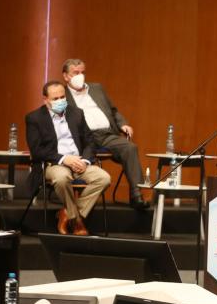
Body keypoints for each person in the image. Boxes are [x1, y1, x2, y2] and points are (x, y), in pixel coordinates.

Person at [61, 58, 150, 209]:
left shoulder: (96, 88)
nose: (80, 76)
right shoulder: (62, 95)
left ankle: (136, 195)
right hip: (84, 139)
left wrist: (123, 124)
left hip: (107, 134)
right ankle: (78, 201)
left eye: (82, 72)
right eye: (75, 73)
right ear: (65, 76)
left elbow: (113, 110)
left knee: (130, 148)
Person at [26, 80, 111, 236]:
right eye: (55, 98)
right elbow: (37, 150)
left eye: (62, 97)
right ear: (45, 100)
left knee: (103, 178)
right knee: (62, 178)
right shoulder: (34, 118)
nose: (60, 101)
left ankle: (67, 213)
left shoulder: (76, 113)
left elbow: (90, 142)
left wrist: (85, 161)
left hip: (79, 162)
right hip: (53, 163)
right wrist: (64, 159)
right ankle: (76, 220)